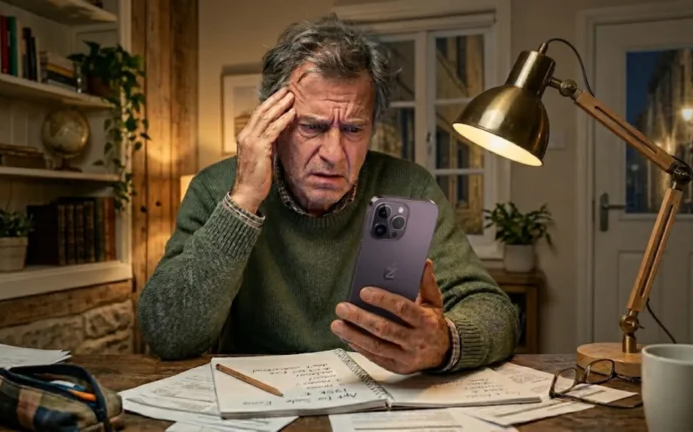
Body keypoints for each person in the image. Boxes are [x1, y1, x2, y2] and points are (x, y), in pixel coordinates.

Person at [137, 14, 518, 375]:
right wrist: (242, 203)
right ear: (274, 123)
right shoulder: (217, 188)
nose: (334, 154)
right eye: (313, 127)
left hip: (377, 401)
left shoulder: (410, 187)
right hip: (259, 405)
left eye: (353, 130)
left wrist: (446, 342)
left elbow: (496, 313)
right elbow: (168, 335)